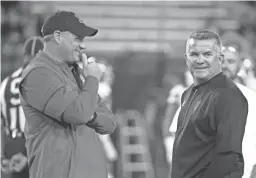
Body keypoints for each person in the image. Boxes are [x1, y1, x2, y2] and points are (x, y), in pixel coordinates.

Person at [18, 10, 116, 178]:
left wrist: (90, 116)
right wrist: (92, 80)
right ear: (57, 36)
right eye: (78, 38)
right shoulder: (38, 74)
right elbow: (78, 114)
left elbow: (109, 123)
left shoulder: (75, 72)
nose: (83, 45)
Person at [171, 29, 248, 178]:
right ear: (186, 59)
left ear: (219, 59)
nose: (200, 60)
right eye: (194, 54)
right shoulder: (188, 93)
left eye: (207, 54)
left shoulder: (228, 96)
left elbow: (230, 160)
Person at [0, 36, 44, 178]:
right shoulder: (45, 79)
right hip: (35, 148)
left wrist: (2, 156)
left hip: (10, 148)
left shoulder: (6, 83)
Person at [222, 45, 256, 178]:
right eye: (221, 61)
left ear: (239, 65)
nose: (225, 65)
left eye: (231, 61)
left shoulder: (252, 98)